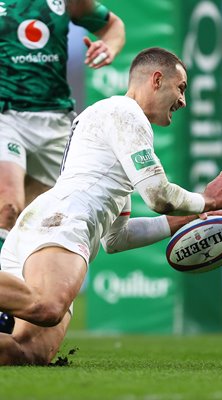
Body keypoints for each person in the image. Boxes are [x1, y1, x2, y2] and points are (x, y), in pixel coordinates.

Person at [0, 47, 222, 365]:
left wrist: (193, 214)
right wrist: (207, 199)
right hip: (62, 222)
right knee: (49, 307)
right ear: (157, 79)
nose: (183, 101)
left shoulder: (112, 132)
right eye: (181, 88)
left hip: (46, 224)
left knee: (27, 352)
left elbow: (116, 239)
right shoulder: (125, 112)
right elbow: (158, 195)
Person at [0, 0, 125, 332]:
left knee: (47, 224)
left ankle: (26, 308)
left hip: (55, 122)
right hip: (5, 114)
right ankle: (4, 313)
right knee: (8, 205)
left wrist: (107, 48)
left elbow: (113, 26)